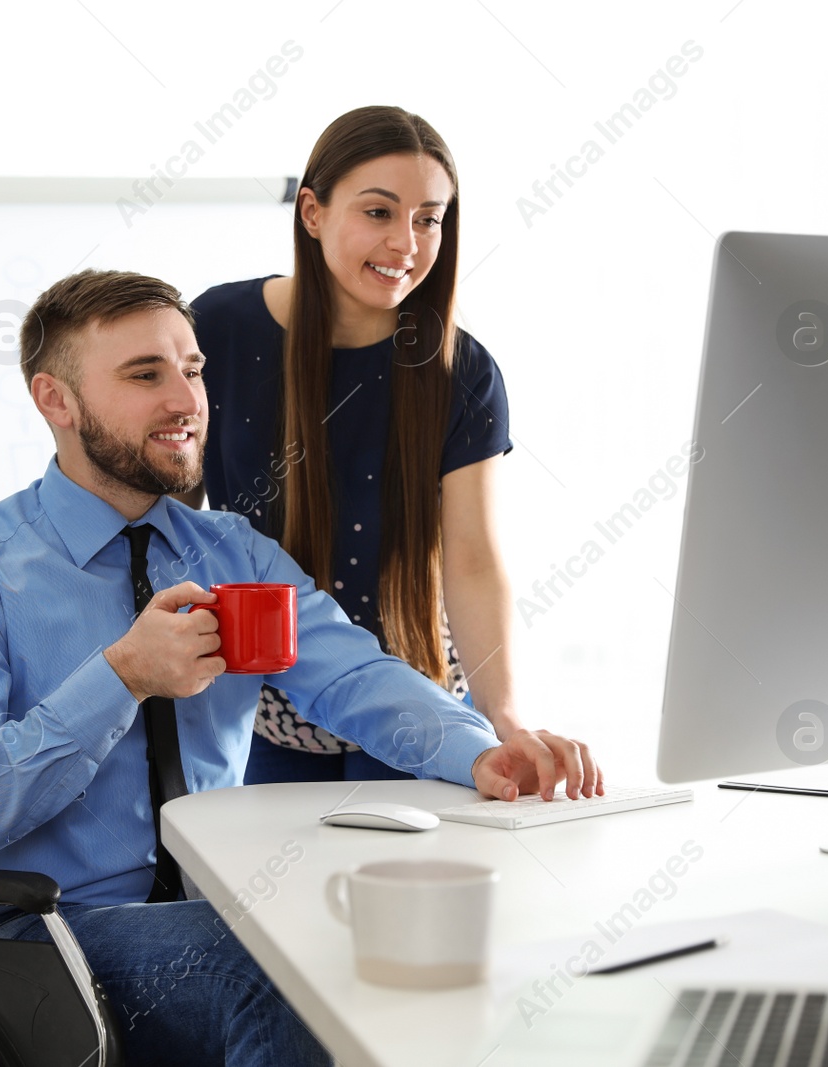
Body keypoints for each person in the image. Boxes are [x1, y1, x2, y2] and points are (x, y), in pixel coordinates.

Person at [0, 268, 599, 1067]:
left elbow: (352, 676)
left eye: (192, 370)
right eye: (144, 374)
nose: (186, 400)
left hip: (208, 905)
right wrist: (119, 677)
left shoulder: (228, 551)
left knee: (387, 941)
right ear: (54, 399)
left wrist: (479, 748)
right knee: (282, 966)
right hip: (35, 937)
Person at [188, 106, 582, 785]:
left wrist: (508, 717)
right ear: (312, 211)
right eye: (379, 212)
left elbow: (472, 558)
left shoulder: (463, 372)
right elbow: (167, 518)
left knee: (418, 888)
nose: (406, 241)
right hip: (261, 709)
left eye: (429, 218)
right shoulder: (217, 330)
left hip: (419, 707)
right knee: (268, 888)